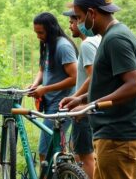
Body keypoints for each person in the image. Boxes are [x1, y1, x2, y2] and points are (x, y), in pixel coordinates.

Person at [60, 0, 136, 179]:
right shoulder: (116, 35)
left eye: (78, 17)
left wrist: (92, 105)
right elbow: (113, 84)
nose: (78, 23)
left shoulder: (115, 39)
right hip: (114, 136)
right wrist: (82, 100)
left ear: (92, 13)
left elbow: (134, 85)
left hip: (118, 136)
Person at [28, 12, 77, 164]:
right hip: (50, 105)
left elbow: (74, 78)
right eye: (36, 32)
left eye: (40, 32)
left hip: (61, 106)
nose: (38, 36)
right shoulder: (47, 44)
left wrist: (45, 89)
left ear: (51, 29)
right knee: (53, 152)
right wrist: (36, 84)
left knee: (46, 153)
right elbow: (43, 69)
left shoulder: (63, 47)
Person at [60, 6, 101, 179]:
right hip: (88, 105)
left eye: (72, 21)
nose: (69, 26)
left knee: (85, 156)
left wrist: (76, 99)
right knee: (81, 154)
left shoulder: (87, 45)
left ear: (81, 20)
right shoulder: (98, 40)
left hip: (84, 109)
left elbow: (93, 77)